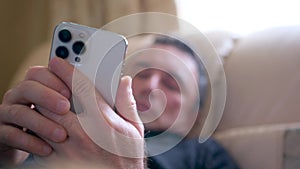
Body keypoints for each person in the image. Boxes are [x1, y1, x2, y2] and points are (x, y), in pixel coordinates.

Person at [0, 34, 239, 169]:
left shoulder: (204, 155)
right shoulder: (63, 122)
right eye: (143, 75)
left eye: (171, 83)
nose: (151, 86)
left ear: (194, 114)